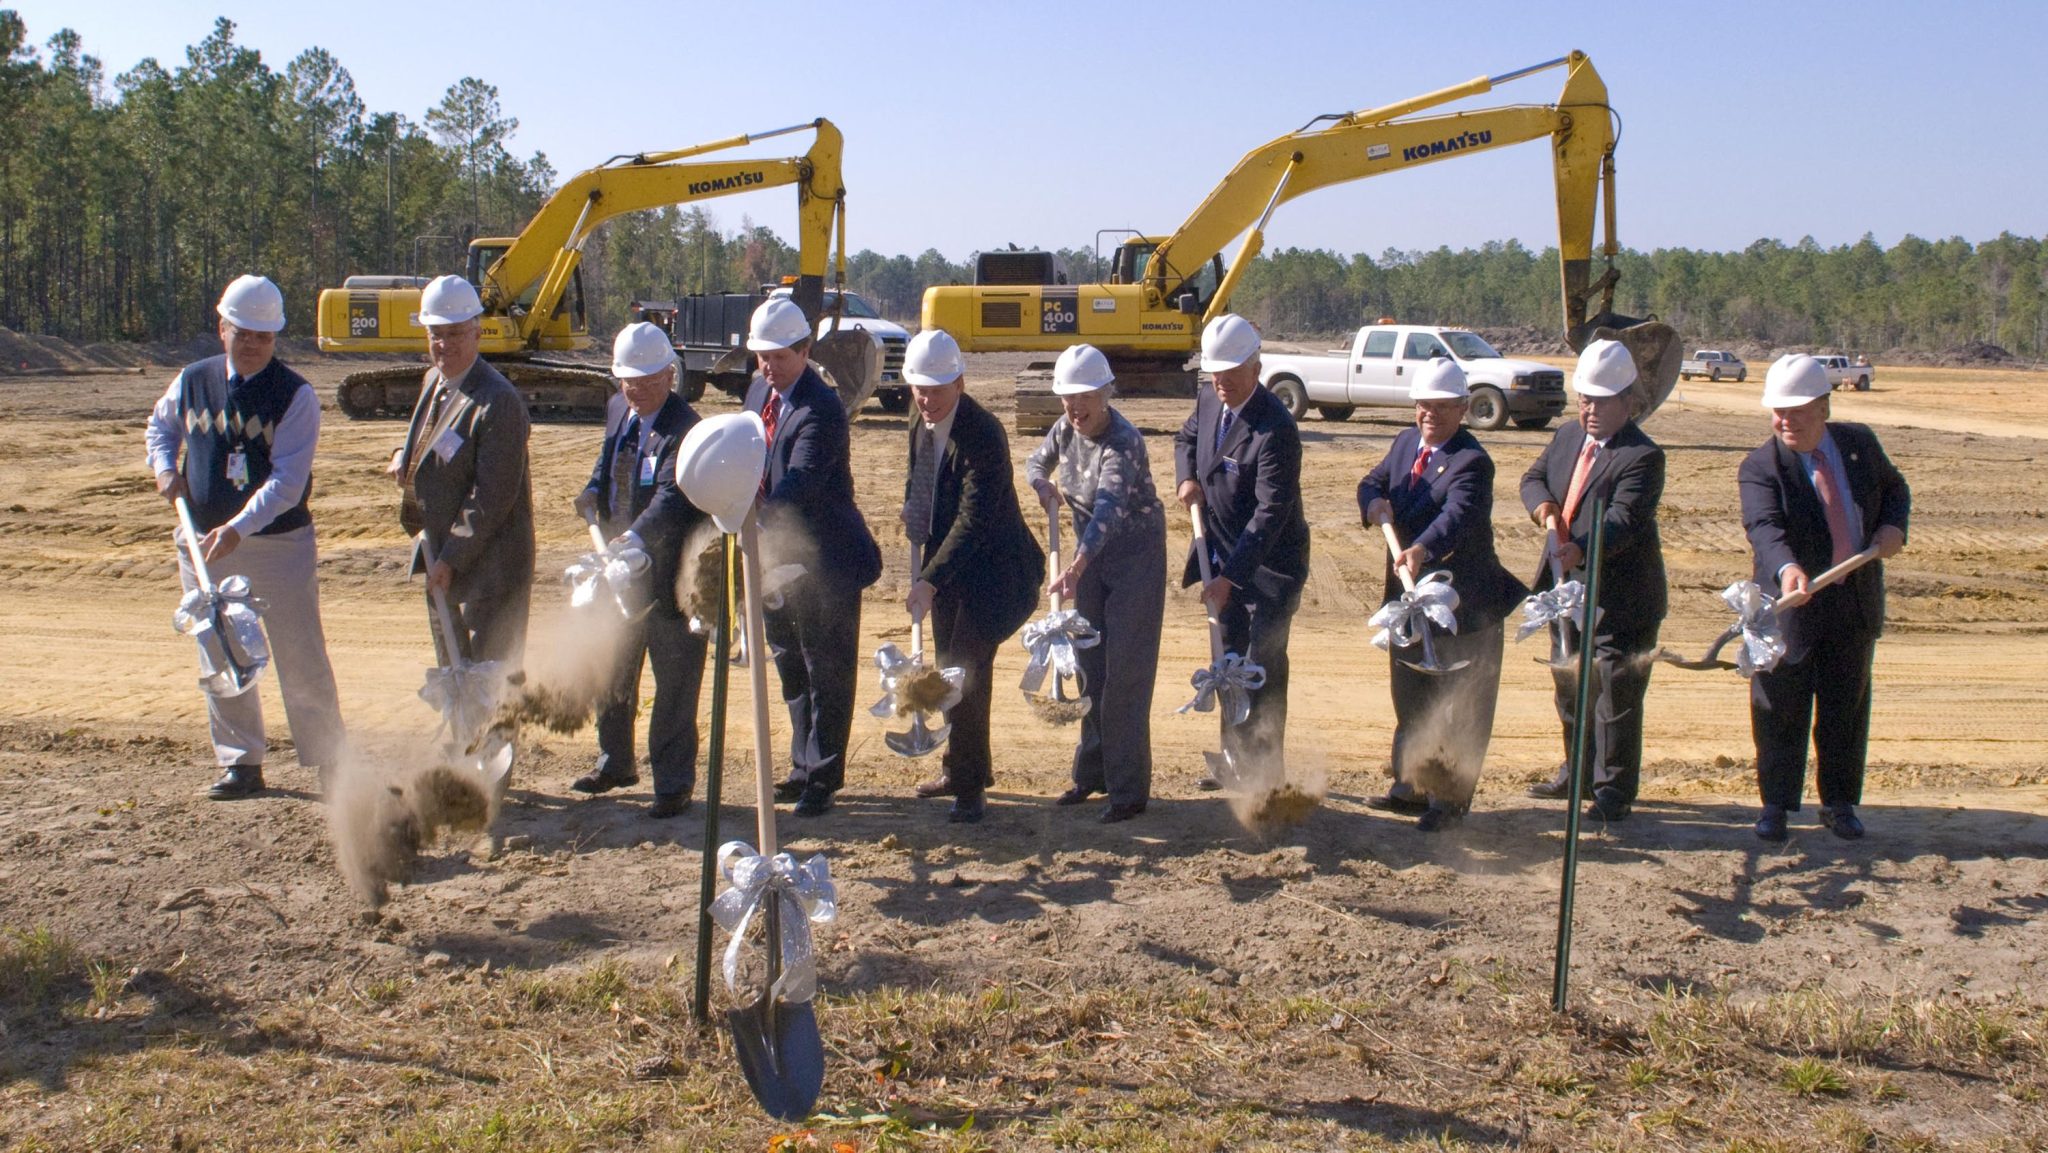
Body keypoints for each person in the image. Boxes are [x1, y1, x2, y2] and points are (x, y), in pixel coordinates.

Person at [145, 275, 347, 799]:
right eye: (244, 332)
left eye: (264, 335)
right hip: (202, 544)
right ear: (223, 328)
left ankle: (329, 759)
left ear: (275, 337)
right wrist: (165, 469)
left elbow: (287, 482)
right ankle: (241, 763)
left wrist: (237, 529)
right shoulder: (192, 380)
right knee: (220, 650)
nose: (253, 343)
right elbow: (160, 429)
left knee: (299, 652)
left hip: (277, 545)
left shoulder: (295, 395)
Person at [1740, 354, 1909, 842]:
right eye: (1777, 411)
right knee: (1779, 708)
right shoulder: (1760, 465)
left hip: (1852, 605)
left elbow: (1895, 489)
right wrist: (1787, 568)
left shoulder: (1859, 445)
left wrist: (1893, 527)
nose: (1784, 421)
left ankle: (1838, 803)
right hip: (1791, 608)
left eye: (1795, 411)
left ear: (1824, 408)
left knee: (1845, 708)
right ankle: (1775, 805)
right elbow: (1764, 528)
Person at [1356, 358, 1526, 830]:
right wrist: (1372, 503)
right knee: (1412, 697)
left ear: (1463, 408)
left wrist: (1421, 548)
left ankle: (1449, 801)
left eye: (1441, 407)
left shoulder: (1472, 462)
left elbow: (1457, 517)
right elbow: (1373, 481)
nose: (1429, 414)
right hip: (1408, 601)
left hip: (1464, 603)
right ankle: (1410, 786)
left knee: (1460, 708)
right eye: (1423, 405)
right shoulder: (1406, 442)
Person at [895, 329, 1044, 824]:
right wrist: (911, 517)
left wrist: (929, 579)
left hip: (996, 573)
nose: (926, 398)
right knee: (946, 668)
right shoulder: (919, 415)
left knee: (965, 674)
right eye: (919, 387)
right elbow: (919, 481)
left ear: (959, 383)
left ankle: (969, 787)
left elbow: (974, 518)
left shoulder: (984, 433)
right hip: (948, 571)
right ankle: (961, 766)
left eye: (936, 389)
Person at [744, 296, 882, 818]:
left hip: (827, 562)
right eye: (762, 356)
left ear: (804, 350)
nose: (769, 366)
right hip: (775, 560)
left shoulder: (821, 409)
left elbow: (799, 483)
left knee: (826, 671)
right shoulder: (759, 391)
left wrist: (752, 523)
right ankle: (801, 767)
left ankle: (823, 777)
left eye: (780, 356)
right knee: (790, 668)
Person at [1521, 338, 1667, 824]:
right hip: (1565, 591)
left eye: (1601, 401)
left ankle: (1613, 791)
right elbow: (1533, 478)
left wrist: (1579, 545)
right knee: (1570, 686)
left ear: (1628, 401)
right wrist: (1543, 507)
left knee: (1614, 696)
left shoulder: (1641, 457)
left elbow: (1624, 520)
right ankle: (1577, 772)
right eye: (1585, 399)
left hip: (1619, 597)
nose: (1591, 410)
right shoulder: (1566, 437)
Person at [568, 322, 707, 819]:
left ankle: (673, 783)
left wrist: (635, 538)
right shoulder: (617, 410)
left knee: (673, 685)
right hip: (616, 571)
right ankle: (615, 762)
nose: (636, 390)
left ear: (669, 375)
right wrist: (591, 491)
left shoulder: (685, 428)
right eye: (628, 381)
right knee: (613, 670)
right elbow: (609, 464)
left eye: (647, 381)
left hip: (669, 579)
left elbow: (673, 497)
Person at [1026, 344, 1167, 824]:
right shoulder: (1065, 429)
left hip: (1133, 560)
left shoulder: (1123, 442)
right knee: (1090, 667)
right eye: (1067, 398)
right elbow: (1035, 461)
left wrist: (1077, 567)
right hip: (1089, 563)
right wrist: (1040, 484)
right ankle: (1092, 775)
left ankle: (1128, 791)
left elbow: (1106, 509)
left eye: (1084, 397)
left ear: (1105, 394)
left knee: (1126, 674)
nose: (1075, 408)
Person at [1172, 313, 1310, 783]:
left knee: (1261, 666)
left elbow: (1270, 513)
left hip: (1269, 569)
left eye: (1231, 371)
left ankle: (1265, 773)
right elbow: (1186, 438)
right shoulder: (1210, 397)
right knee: (1227, 659)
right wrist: (1187, 476)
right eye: (1215, 371)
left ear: (1256, 365)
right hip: (1221, 556)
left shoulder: (1276, 430)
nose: (1222, 380)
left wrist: (1233, 577)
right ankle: (1233, 759)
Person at [392, 274, 535, 682]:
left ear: (476, 332)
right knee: (454, 679)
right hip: (442, 559)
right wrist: (407, 458)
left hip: (487, 572)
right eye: (436, 334)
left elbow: (492, 496)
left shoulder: (497, 401)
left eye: (455, 334)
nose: (444, 344)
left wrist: (452, 559)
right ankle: (462, 748)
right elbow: (431, 443)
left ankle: (497, 748)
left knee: (492, 683)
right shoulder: (433, 382)